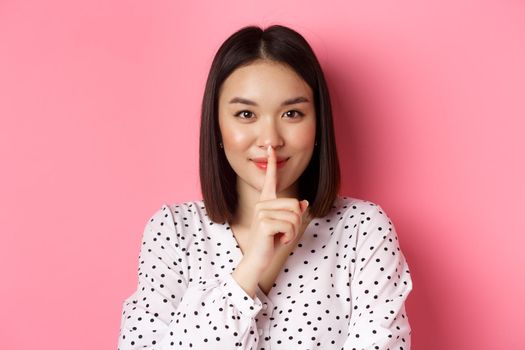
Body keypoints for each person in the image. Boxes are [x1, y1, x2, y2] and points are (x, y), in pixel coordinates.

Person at [118, 24, 412, 350]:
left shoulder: (362, 230)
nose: (270, 140)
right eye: (246, 114)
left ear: (318, 126)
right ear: (216, 125)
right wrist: (250, 269)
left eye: (292, 113)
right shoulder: (174, 231)